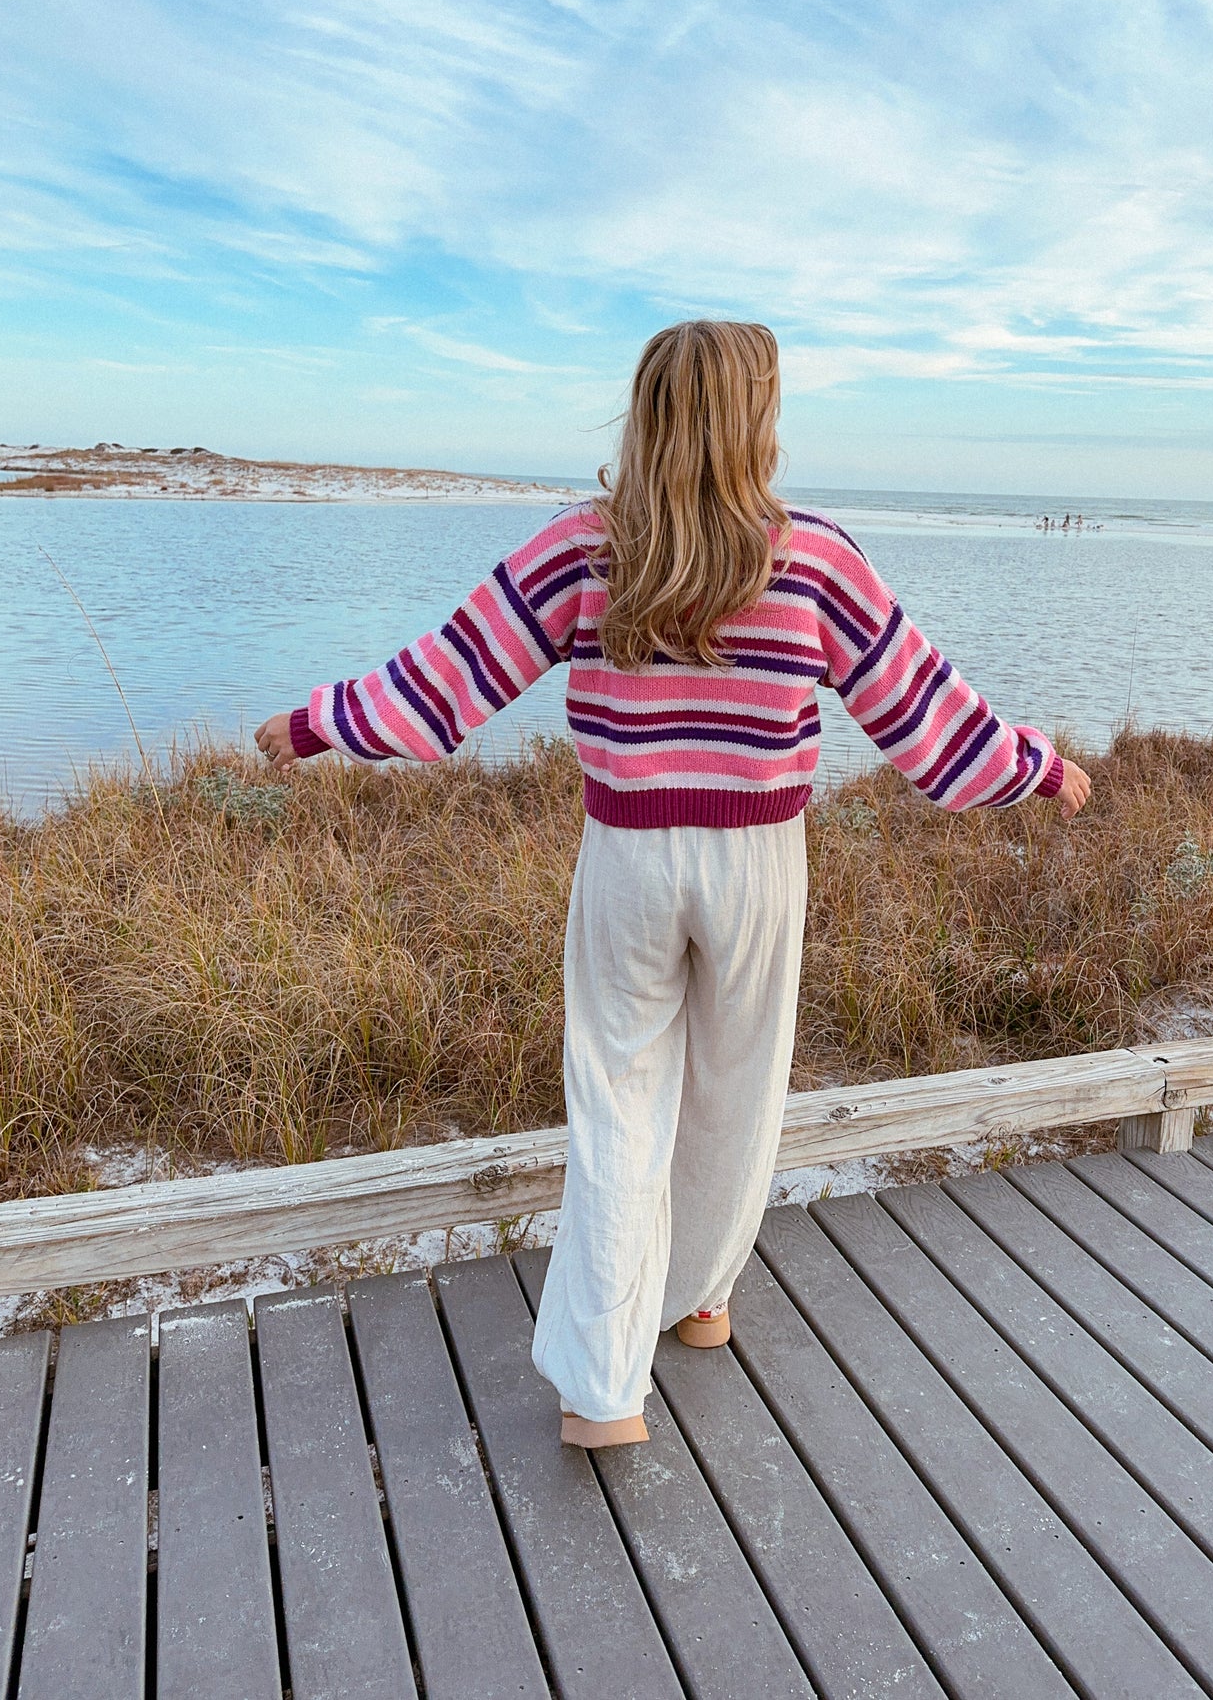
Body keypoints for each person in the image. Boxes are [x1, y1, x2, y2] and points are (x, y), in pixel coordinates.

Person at [254, 320, 1092, 1449]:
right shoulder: (816, 556)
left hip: (630, 858)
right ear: (755, 419)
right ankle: (698, 1296)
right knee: (735, 1094)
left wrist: (317, 724)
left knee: (618, 1103)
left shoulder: (579, 550)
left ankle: (604, 1389)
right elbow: (923, 715)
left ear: (646, 414)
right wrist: (1034, 766)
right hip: (756, 864)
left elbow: (447, 679)